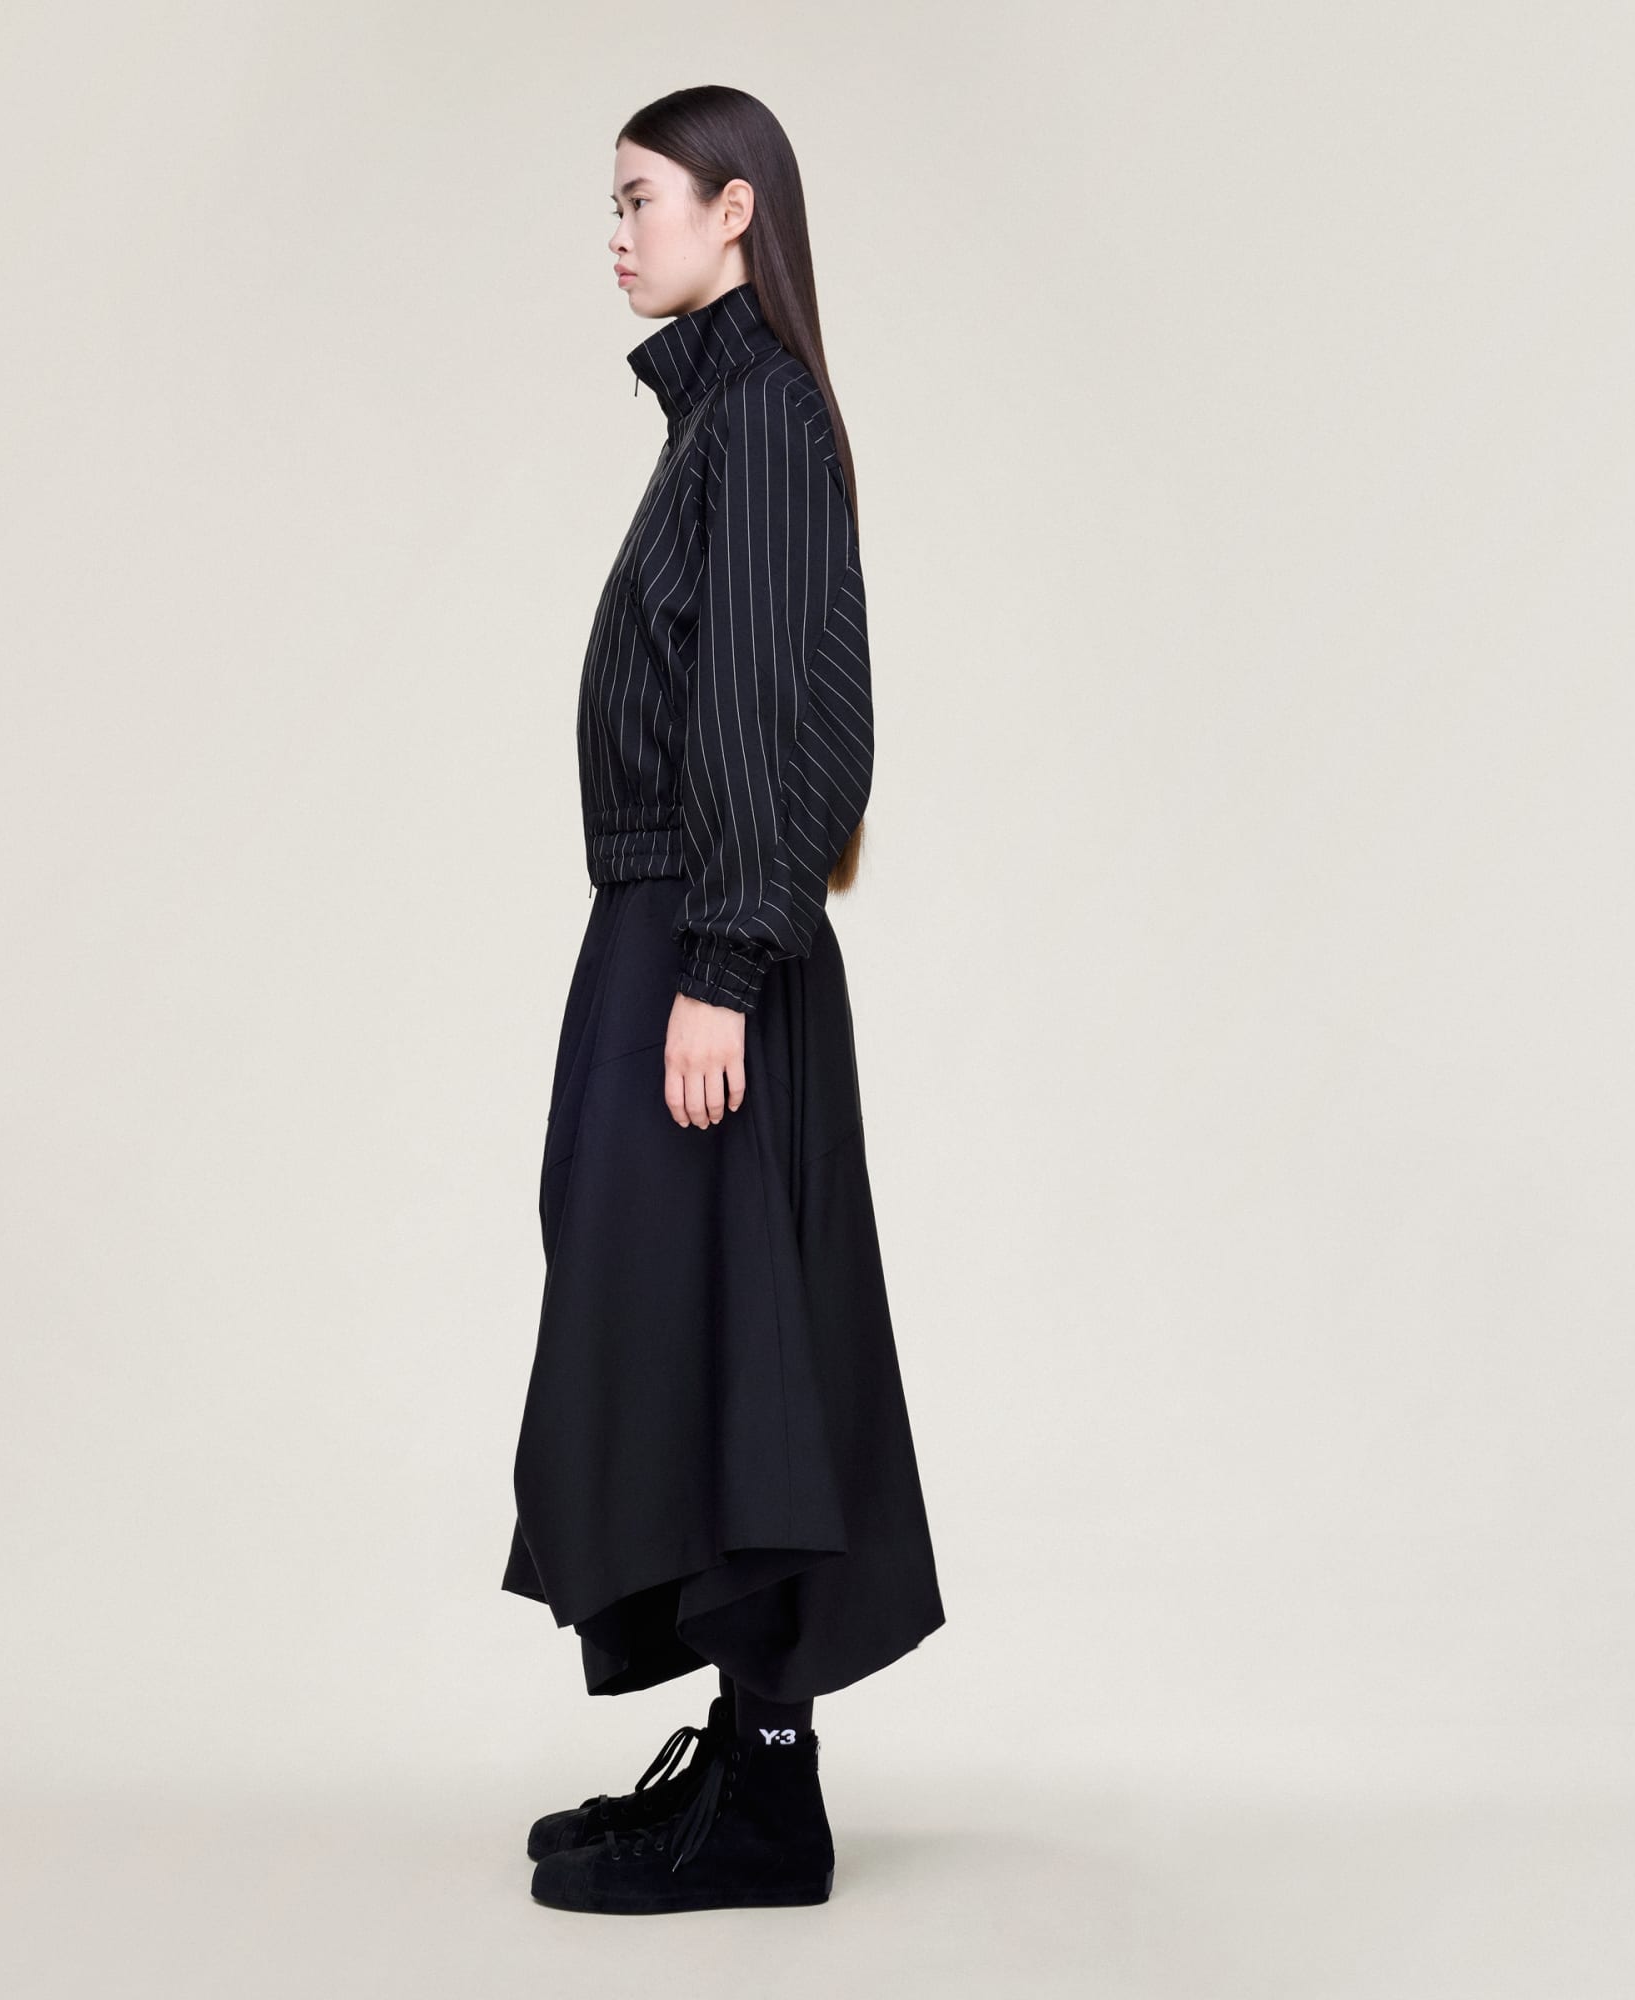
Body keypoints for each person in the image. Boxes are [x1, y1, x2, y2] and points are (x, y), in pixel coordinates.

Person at [500, 84, 946, 1916]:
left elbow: (772, 716)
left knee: (733, 1353)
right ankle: (750, 1765)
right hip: (677, 931)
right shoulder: (721, 417)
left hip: (705, 945)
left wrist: (722, 969)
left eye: (639, 200)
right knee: (688, 1344)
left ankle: (767, 1804)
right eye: (610, 206)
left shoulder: (757, 414)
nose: (615, 235)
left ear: (735, 209)